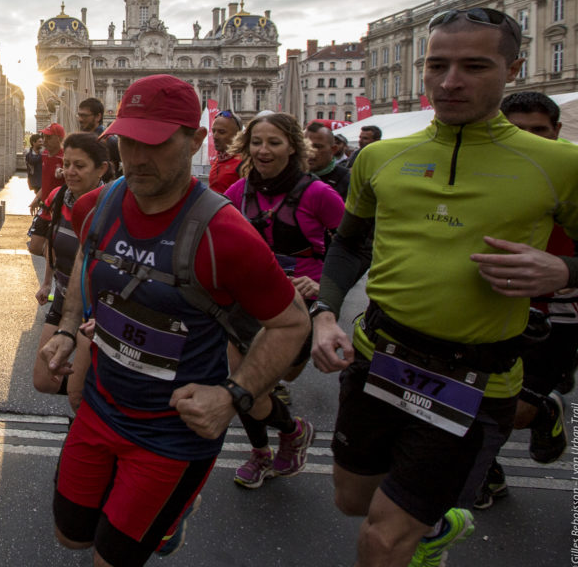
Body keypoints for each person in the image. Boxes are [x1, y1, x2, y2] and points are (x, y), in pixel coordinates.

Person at [311, 8, 578, 567]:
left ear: (512, 68)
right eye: (437, 65)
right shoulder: (379, 157)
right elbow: (347, 246)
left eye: (474, 65)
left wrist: (566, 271)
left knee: (383, 539)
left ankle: (417, 526)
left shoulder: (563, 165)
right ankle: (438, 522)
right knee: (351, 501)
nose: (450, 81)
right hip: (378, 357)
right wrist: (324, 313)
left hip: (475, 376)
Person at [40, 74, 309, 565]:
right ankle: (164, 514)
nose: (137, 157)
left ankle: (172, 511)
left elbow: (291, 323)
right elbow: (86, 255)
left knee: (109, 559)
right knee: (70, 538)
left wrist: (233, 396)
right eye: (126, 140)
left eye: (155, 142)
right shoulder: (98, 205)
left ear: (196, 141)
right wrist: (65, 327)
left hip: (171, 436)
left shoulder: (226, 233)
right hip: (99, 411)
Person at [471, 91, 578, 509]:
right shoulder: (477, 172)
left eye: (538, 131)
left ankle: (543, 412)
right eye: (517, 132)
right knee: (469, 399)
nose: (528, 141)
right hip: (489, 303)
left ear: (556, 131)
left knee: (518, 409)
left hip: (554, 310)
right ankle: (485, 470)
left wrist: (566, 270)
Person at [222, 113, 344, 488]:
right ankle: (264, 452)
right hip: (247, 302)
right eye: (256, 142)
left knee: (259, 387)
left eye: (274, 142)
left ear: (293, 146)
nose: (263, 150)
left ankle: (290, 433)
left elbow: (352, 248)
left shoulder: (319, 194)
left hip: (295, 309)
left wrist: (320, 283)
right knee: (242, 386)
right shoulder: (237, 193)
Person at [26, 133, 109, 410]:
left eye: (80, 166)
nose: (70, 172)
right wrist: (47, 284)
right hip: (62, 298)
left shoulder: (111, 205)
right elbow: (50, 245)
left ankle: (87, 419)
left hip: (94, 310)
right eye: (68, 164)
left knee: (75, 396)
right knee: (43, 379)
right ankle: (98, 397)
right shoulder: (60, 196)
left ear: (102, 169)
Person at [304, 122, 350, 199]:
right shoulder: (293, 176)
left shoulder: (346, 180)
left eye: (317, 147)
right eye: (305, 146)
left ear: (333, 150)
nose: (310, 151)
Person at [32, 123, 66, 214]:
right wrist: (37, 198)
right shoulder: (44, 154)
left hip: (58, 211)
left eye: (49, 137)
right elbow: (46, 182)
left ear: (59, 139)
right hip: (44, 207)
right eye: (44, 137)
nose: (44, 141)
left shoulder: (65, 158)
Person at [208, 110, 242, 194]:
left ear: (237, 135)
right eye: (213, 131)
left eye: (221, 132)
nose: (215, 136)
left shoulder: (244, 162)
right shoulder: (218, 159)